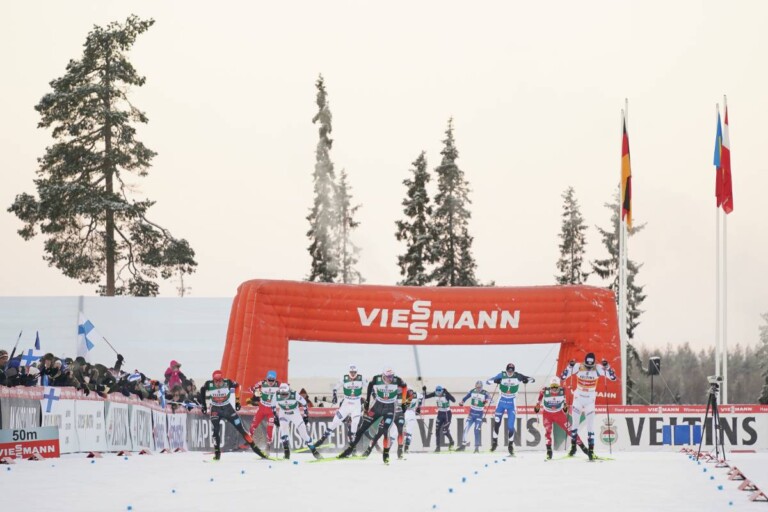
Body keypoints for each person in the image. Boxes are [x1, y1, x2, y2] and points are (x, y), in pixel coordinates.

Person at [338, 368, 407, 463]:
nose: (390, 379)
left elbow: (405, 387)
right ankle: (349, 450)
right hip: (377, 407)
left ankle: (386, 454)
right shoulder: (377, 379)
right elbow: (370, 385)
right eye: (388, 377)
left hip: (390, 408)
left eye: (391, 376)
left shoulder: (397, 380)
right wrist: (367, 401)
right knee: (362, 429)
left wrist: (404, 402)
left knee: (386, 430)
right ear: (383, 375)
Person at [198, 369, 268, 461]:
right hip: (215, 409)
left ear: (222, 379)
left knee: (242, 429)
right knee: (215, 431)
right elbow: (202, 390)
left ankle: (257, 451)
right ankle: (217, 454)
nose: (218, 383)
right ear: (213, 380)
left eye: (220, 381)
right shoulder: (209, 384)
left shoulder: (227, 382)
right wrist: (203, 405)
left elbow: (238, 386)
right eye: (216, 381)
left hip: (228, 409)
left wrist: (237, 402)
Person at [560, 352, 617, 460]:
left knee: (590, 426)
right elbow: (562, 377)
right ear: (584, 362)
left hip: (590, 400)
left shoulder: (598, 368)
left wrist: (608, 367)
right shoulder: (578, 366)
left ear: (594, 363)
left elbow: (613, 378)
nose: (589, 368)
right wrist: (569, 367)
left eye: (591, 366)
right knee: (574, 425)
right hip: (578, 398)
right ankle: (573, 448)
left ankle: (591, 451)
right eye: (587, 366)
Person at [534, 376, 589, 459]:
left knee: (570, 430)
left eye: (556, 387)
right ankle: (549, 451)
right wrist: (537, 407)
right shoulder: (544, 391)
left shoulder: (563, 391)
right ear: (550, 386)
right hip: (547, 414)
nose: (554, 389)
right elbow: (538, 403)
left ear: (559, 386)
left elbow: (568, 401)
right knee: (548, 432)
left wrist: (565, 407)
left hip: (559, 414)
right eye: (552, 387)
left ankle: (584, 449)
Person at [486, 362, 535, 455]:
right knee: (497, 422)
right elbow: (488, 381)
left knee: (510, 426)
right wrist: (495, 380)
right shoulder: (502, 375)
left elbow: (532, 379)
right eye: (508, 371)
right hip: (501, 402)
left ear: (514, 371)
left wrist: (526, 380)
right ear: (506, 370)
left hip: (512, 403)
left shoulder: (517, 376)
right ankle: (494, 443)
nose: (510, 373)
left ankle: (510, 446)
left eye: (511, 371)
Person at [315, 364, 366, 448]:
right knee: (335, 422)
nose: (353, 374)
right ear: (349, 372)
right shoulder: (344, 378)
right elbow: (335, 388)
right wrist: (334, 395)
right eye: (351, 372)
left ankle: (352, 447)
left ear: (356, 372)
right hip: (346, 404)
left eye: (354, 372)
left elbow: (370, 386)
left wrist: (374, 393)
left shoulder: (361, 378)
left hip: (356, 405)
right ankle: (322, 439)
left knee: (355, 423)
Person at [273, 383, 321, 459]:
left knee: (303, 433)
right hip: (283, 413)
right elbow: (272, 406)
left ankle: (314, 451)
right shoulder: (276, 395)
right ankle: (286, 452)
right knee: (283, 429)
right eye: (282, 394)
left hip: (295, 413)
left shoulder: (294, 394)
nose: (284, 396)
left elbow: (305, 403)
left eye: (285, 394)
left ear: (289, 391)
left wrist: (305, 416)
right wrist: (275, 417)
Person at [248, 370, 281, 449]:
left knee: (270, 428)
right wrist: (256, 392)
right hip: (262, 409)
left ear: (275, 380)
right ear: (266, 379)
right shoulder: (261, 383)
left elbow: (287, 390)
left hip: (271, 410)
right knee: (253, 425)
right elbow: (250, 388)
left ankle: (268, 445)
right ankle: (248, 441)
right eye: (269, 380)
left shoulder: (279, 385)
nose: (270, 382)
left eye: (272, 380)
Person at [458, 380, 491, 453]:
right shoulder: (472, 391)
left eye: (480, 387)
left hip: (479, 415)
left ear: (482, 387)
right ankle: (463, 445)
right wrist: (462, 402)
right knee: (465, 428)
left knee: (476, 430)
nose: (478, 389)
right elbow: (465, 398)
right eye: (477, 387)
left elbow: (490, 400)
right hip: (471, 414)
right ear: (475, 386)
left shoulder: (485, 392)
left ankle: (476, 448)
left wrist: (486, 401)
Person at [422, 385, 457, 452]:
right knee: (437, 431)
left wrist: (447, 393)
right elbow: (425, 397)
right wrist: (424, 391)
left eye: (440, 394)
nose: (439, 395)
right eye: (437, 394)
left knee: (445, 430)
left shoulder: (445, 394)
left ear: (442, 391)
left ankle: (451, 442)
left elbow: (454, 400)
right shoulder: (435, 393)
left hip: (447, 413)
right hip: (440, 413)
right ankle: (438, 448)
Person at [402, 388, 423, 454]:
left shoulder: (413, 394)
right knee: (407, 432)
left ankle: (405, 448)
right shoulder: (415, 394)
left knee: (408, 432)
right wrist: (419, 407)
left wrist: (419, 407)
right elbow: (421, 397)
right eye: (409, 392)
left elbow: (421, 397)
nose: (411, 393)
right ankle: (404, 448)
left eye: (411, 392)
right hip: (407, 413)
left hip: (408, 412)